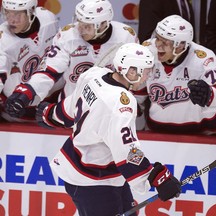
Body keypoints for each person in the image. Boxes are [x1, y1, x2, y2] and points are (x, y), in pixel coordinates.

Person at [35, 43, 181, 216]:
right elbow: (127, 150)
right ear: (131, 71)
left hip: (99, 173)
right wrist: (156, 177)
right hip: (93, 181)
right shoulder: (121, 103)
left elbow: (71, 106)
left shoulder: (94, 75)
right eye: (146, 70)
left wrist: (49, 114)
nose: (149, 75)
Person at [4, 0, 138, 119]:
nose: (80, 29)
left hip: (108, 110)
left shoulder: (125, 37)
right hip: (70, 108)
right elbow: (50, 69)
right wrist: (28, 91)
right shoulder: (68, 36)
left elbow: (133, 77)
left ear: (103, 24)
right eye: (80, 22)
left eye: (87, 26)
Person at [135, 15, 216, 135]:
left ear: (180, 45)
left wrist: (209, 94)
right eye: (157, 38)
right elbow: (137, 92)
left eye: (164, 42)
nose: (158, 45)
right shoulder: (148, 51)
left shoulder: (203, 58)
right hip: (157, 134)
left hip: (202, 135)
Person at [0, 0, 59, 122]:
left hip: (53, 101)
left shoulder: (48, 19)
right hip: (19, 109)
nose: (12, 20)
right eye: (8, 13)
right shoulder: (3, 41)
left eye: (17, 14)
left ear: (31, 12)